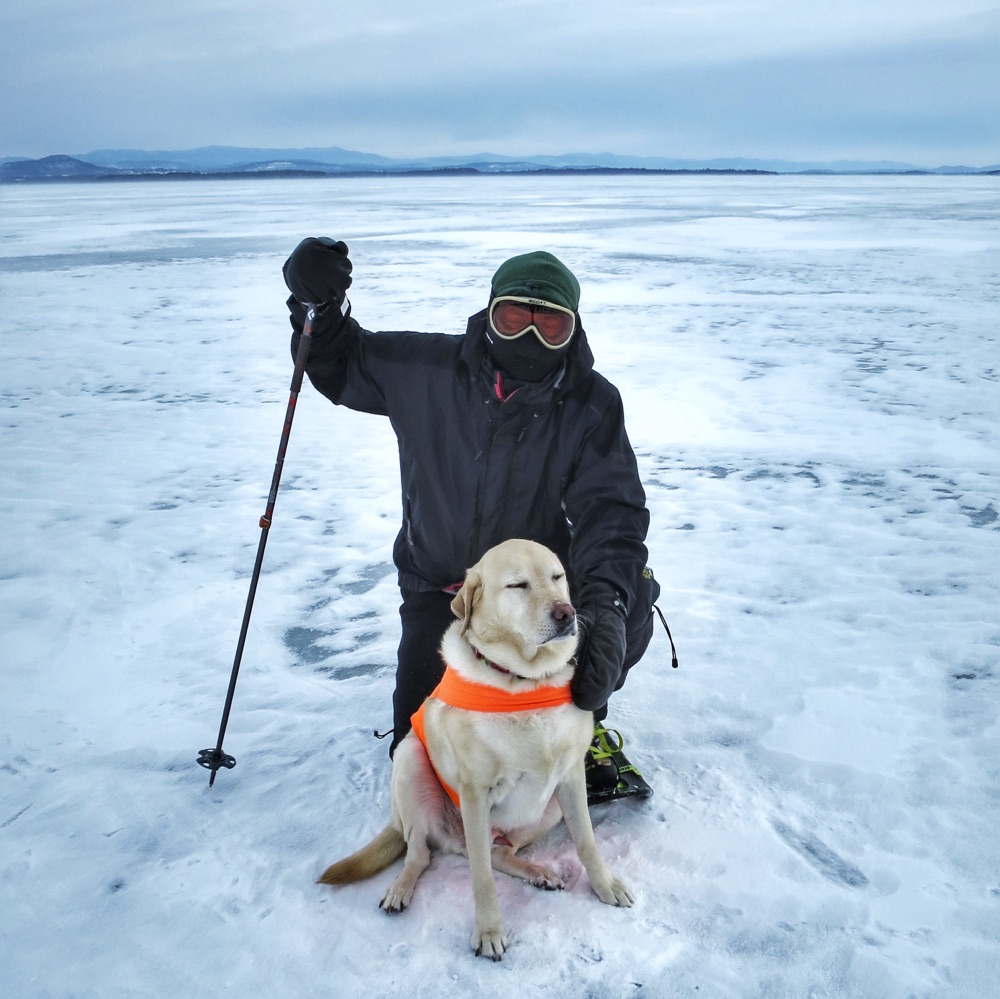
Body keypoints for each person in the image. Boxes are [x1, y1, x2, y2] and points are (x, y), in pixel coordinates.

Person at [282, 238, 659, 802]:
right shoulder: (426, 369)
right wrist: (317, 303)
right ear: (490, 314)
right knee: (429, 764)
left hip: (537, 594)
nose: (530, 337)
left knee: (626, 602)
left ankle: (582, 727)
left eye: (549, 324)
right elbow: (340, 360)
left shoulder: (591, 403)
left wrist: (607, 606)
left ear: (573, 328)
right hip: (444, 588)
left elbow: (613, 513)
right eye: (514, 318)